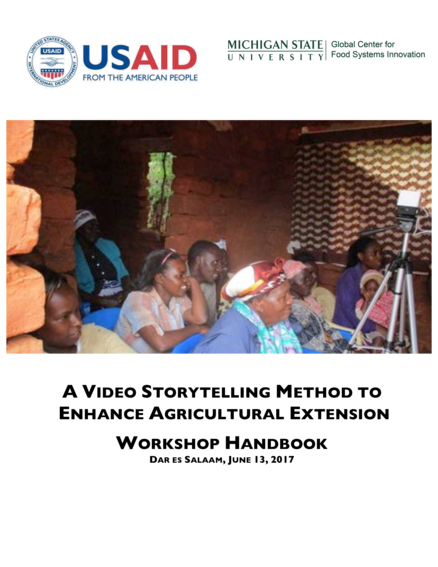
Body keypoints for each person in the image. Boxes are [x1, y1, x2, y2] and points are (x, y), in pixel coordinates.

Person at [191, 259, 302, 354]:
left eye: (289, 293)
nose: (290, 300)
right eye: (283, 297)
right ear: (258, 304)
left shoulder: (271, 323)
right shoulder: (229, 342)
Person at [115, 249, 209, 354]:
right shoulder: (137, 299)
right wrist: (197, 329)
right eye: (180, 275)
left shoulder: (177, 297)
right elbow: (160, 343)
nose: (186, 280)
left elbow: (200, 318)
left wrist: (193, 281)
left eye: (186, 275)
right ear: (160, 278)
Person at [34, 268, 137, 354]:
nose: (78, 322)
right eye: (64, 317)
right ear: (35, 323)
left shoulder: (99, 337)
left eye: (77, 311)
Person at [284, 260, 348, 354]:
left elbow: (324, 326)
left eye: (309, 278)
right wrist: (342, 350)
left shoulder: (304, 300)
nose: (310, 282)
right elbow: (309, 343)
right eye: (305, 280)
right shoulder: (291, 310)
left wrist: (346, 346)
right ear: (290, 284)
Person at [74, 209, 130, 311]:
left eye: (96, 226)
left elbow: (124, 275)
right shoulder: (72, 253)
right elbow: (73, 288)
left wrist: (124, 294)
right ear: (78, 230)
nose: (95, 230)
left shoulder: (109, 246)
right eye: (89, 227)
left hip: (118, 298)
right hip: (91, 302)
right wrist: (101, 301)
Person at [187, 240, 223, 327]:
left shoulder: (209, 283)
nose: (219, 269)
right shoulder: (177, 279)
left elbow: (210, 322)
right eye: (215, 262)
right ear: (199, 261)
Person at [294, 251, 336, 322]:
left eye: (316, 272)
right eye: (309, 273)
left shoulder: (321, 293)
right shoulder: (293, 300)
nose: (315, 276)